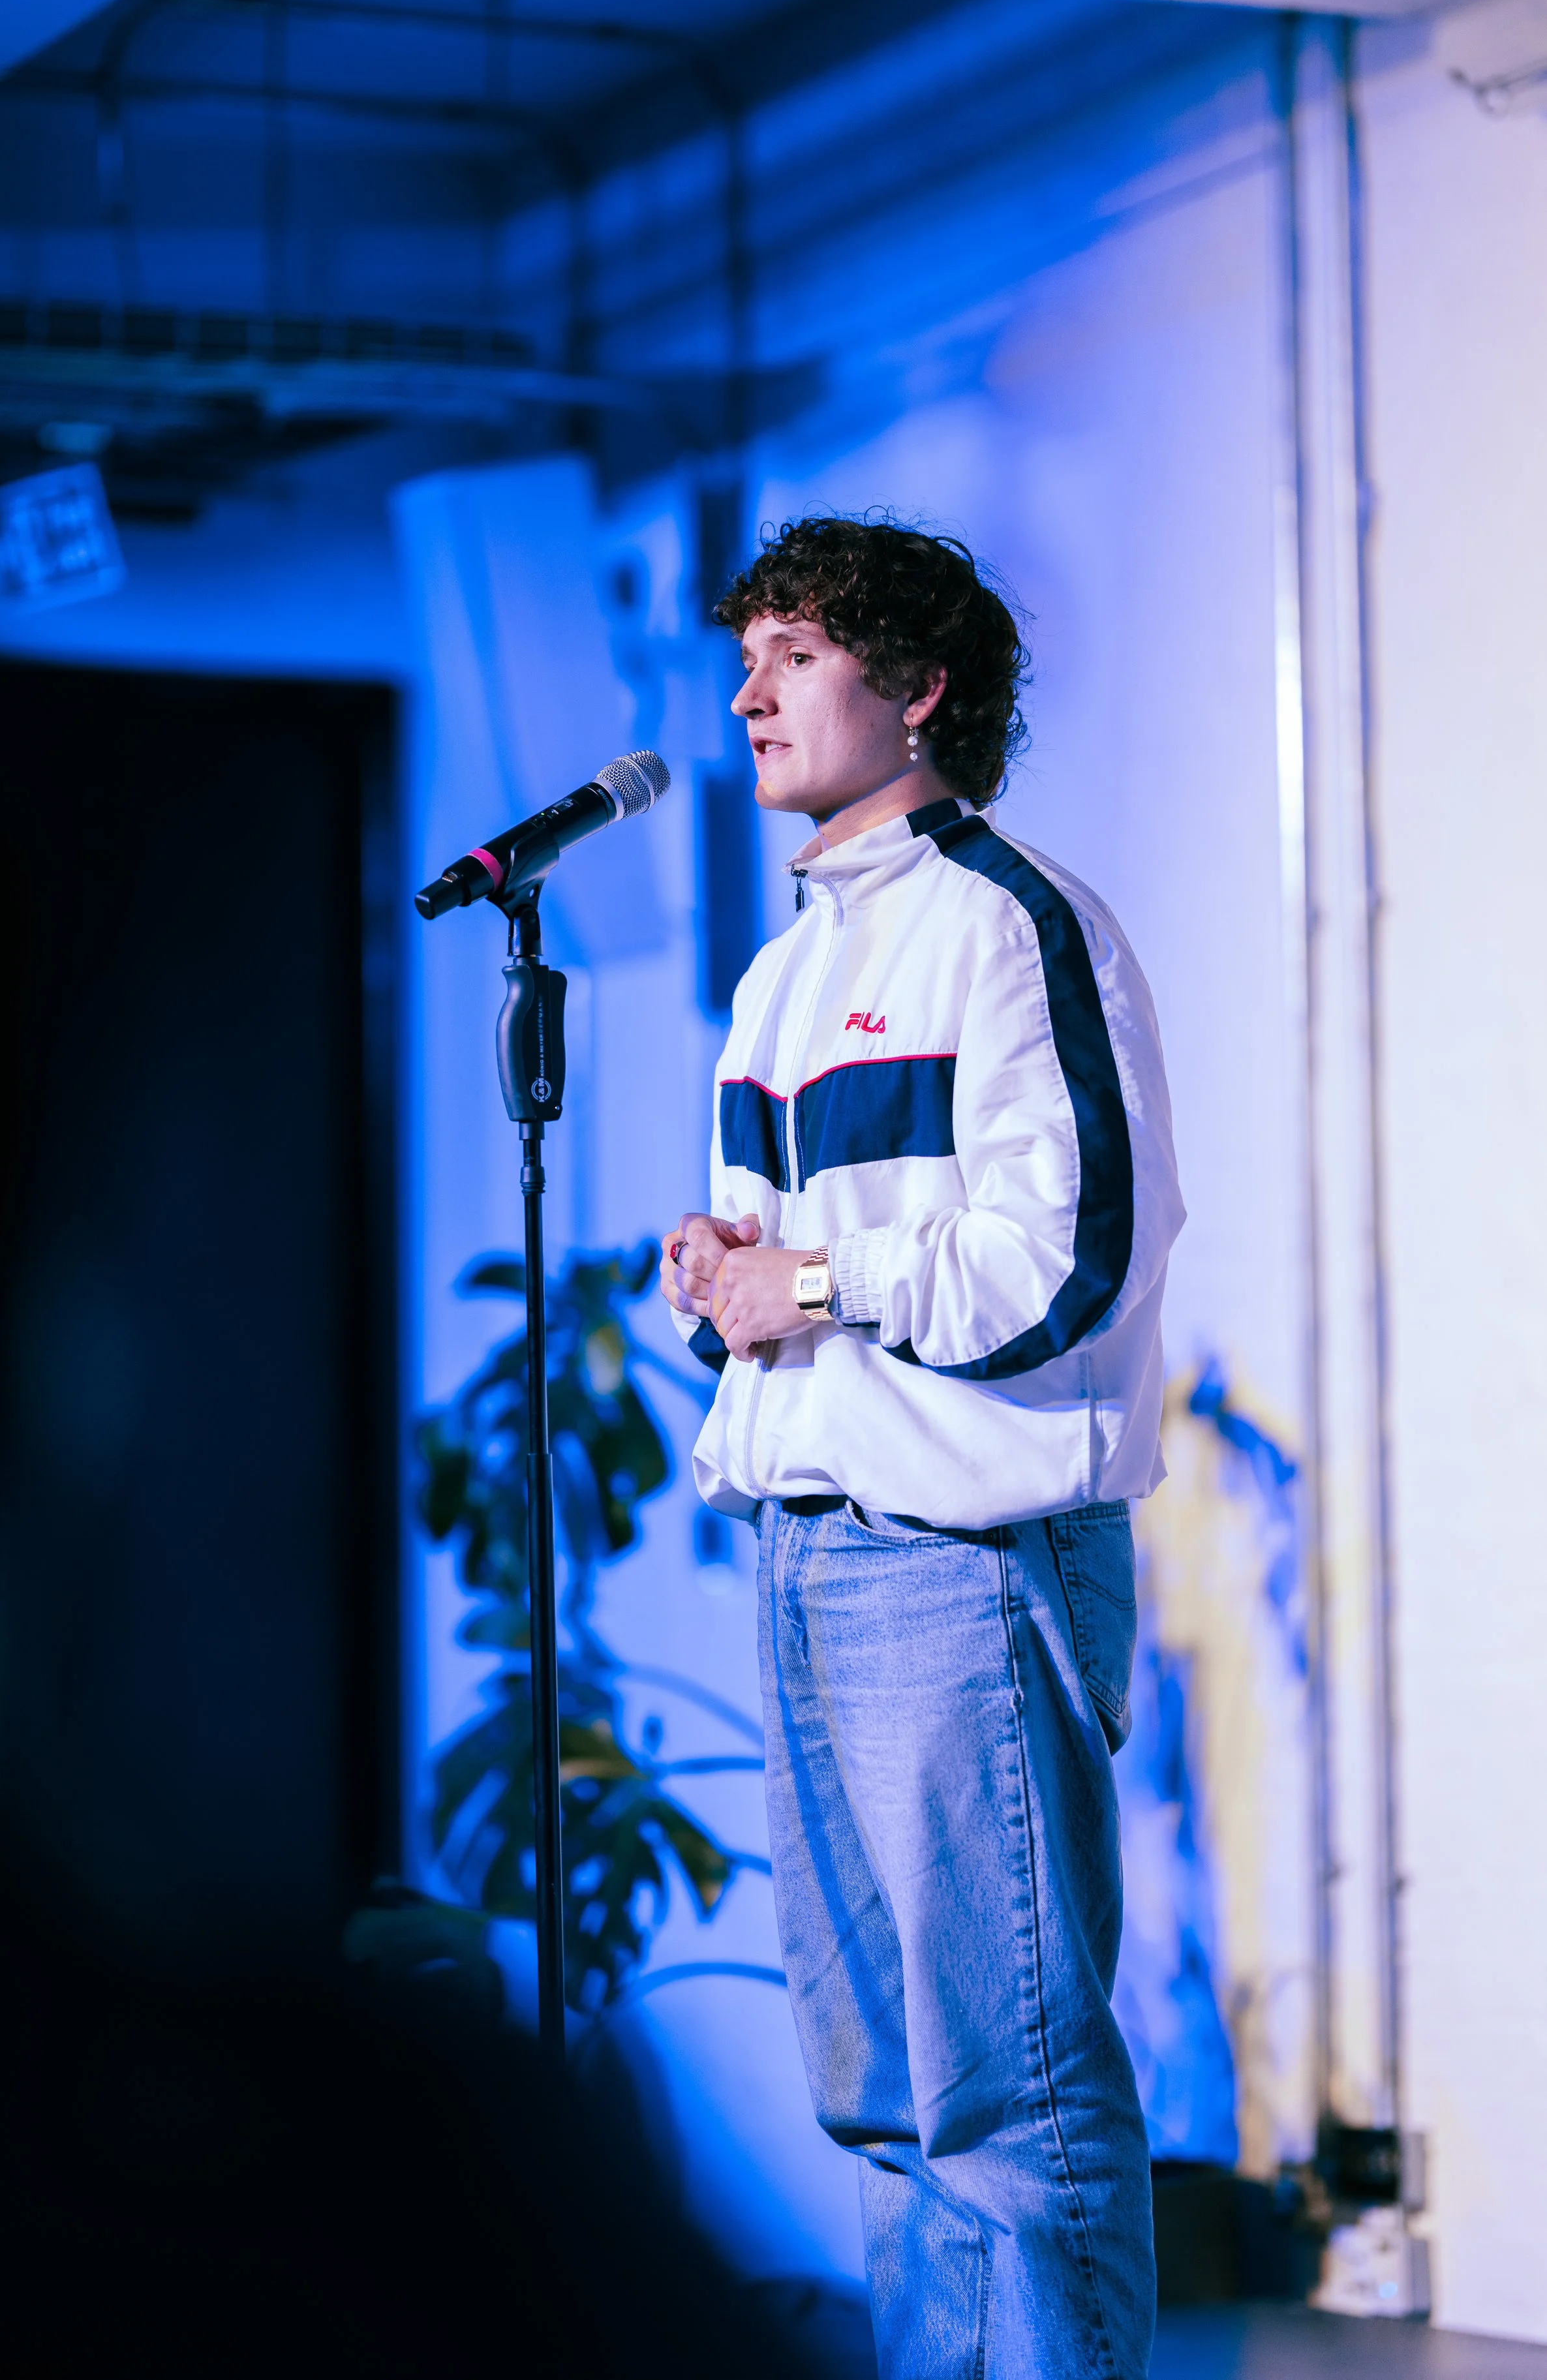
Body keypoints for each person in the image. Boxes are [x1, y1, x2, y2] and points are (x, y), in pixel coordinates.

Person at [659, 516, 1184, 2380]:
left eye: (795, 652)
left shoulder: (1003, 924)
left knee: (1007, 2099)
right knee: (884, 2100)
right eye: (752, 655)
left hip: (956, 1571)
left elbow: (1067, 1261)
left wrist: (800, 1272)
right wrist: (722, 1276)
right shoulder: (781, 974)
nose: (746, 693)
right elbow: (794, 1278)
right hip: (808, 1548)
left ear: (920, 686)